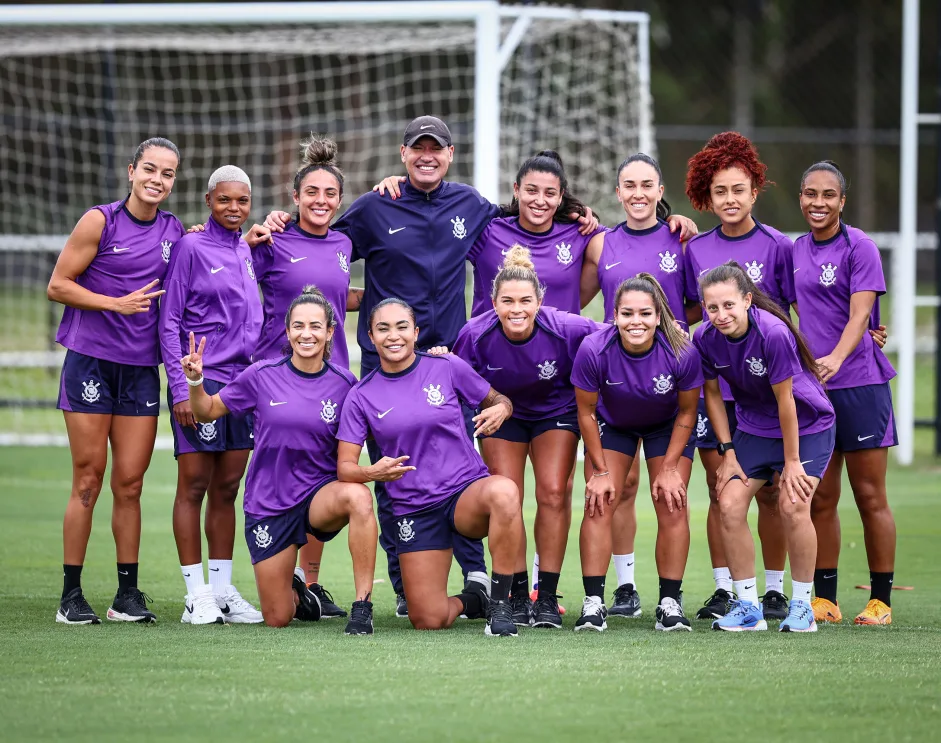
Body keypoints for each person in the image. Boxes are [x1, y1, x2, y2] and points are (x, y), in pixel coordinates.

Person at [265, 116, 596, 616]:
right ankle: (403, 586)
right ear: (403, 154)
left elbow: (525, 210)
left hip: (448, 362)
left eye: (435, 148)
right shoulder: (375, 206)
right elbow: (323, 243)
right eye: (417, 148)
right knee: (392, 474)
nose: (426, 156)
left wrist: (576, 210)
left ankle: (478, 577)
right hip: (387, 367)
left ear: (449, 153)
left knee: (460, 471)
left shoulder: (471, 205)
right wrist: (275, 224)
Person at [180, 287, 377, 634]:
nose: (307, 334)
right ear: (287, 332)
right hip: (270, 503)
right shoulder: (261, 375)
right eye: (298, 326)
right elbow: (207, 411)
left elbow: (378, 423)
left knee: (359, 497)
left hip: (319, 497)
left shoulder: (346, 383)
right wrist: (195, 380)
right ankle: (299, 595)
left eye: (316, 326)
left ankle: (363, 605)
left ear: (330, 332)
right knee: (277, 617)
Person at [48, 137, 184, 625]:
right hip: (91, 364)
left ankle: (127, 595)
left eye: (167, 173)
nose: (157, 179)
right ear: (132, 171)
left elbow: (212, 246)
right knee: (88, 479)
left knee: (130, 483)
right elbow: (57, 284)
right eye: (150, 169)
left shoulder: (174, 231)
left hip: (141, 372)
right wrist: (115, 303)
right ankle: (70, 595)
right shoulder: (99, 220)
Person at [336, 298, 524, 636]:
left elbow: (498, 399)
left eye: (401, 327)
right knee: (428, 619)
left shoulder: (446, 366)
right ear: (371, 337)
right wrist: (372, 472)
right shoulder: (361, 395)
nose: (394, 336)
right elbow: (345, 468)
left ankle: (500, 604)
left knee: (505, 491)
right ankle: (474, 601)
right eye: (383, 328)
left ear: (416, 332)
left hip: (464, 495)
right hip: (415, 509)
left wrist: (503, 410)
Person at [443, 247, 603, 628]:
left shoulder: (567, 326)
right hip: (503, 417)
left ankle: (545, 596)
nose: (517, 309)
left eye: (526, 301)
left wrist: (667, 328)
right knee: (507, 497)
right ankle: (514, 594)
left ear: (540, 301)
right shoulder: (475, 334)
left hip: (555, 412)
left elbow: (614, 335)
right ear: (493, 302)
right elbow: (453, 379)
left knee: (552, 492)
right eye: (507, 301)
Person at [579, 152, 701, 619]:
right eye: (629, 185)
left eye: (647, 184)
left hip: (669, 384)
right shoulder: (599, 244)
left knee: (671, 495)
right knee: (613, 490)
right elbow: (576, 299)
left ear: (660, 189)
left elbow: (697, 304)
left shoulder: (682, 240)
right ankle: (620, 590)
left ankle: (671, 600)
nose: (638, 194)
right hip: (616, 387)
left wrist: (663, 332)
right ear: (616, 192)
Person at [249, 135, 363, 620]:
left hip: (334, 379)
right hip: (281, 382)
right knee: (284, 473)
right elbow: (234, 274)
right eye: (311, 193)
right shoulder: (271, 239)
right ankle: (285, 575)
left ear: (339, 200)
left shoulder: (343, 242)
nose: (320, 201)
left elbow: (341, 297)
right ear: (295, 198)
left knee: (326, 474)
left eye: (330, 194)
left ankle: (309, 583)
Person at [683, 132, 796, 622]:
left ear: (755, 191)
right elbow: (690, 313)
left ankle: (774, 590)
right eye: (720, 191)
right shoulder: (694, 248)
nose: (729, 200)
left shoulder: (777, 246)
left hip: (764, 392)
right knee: (720, 485)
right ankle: (728, 589)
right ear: (709, 196)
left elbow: (793, 314)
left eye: (738, 190)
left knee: (770, 491)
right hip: (717, 388)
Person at [693, 262, 835, 633]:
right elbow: (711, 395)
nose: (720, 315)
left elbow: (786, 402)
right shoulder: (704, 338)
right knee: (728, 503)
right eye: (712, 307)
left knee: (792, 503)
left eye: (728, 305)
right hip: (754, 428)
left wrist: (791, 463)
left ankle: (802, 608)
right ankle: (748, 607)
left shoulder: (772, 332)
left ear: (747, 300)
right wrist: (728, 453)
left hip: (805, 426)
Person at [793, 161, 898, 626]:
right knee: (820, 497)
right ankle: (825, 599)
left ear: (842, 201)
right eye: (810, 194)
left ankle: (880, 601)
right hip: (815, 391)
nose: (818, 203)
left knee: (870, 495)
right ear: (800, 197)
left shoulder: (861, 247)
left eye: (828, 195)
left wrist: (835, 357)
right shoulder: (793, 250)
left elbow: (861, 316)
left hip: (860, 385)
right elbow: (779, 309)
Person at [159, 165, 263, 625]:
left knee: (227, 489)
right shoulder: (190, 246)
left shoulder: (246, 249)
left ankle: (221, 592)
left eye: (241, 200)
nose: (234, 208)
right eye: (225, 200)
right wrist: (181, 386)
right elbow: (169, 321)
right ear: (208, 201)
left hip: (243, 386)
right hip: (202, 381)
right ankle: (194, 594)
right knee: (195, 486)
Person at [572, 274, 702, 632]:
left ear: (658, 316)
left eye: (645, 313)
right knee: (598, 501)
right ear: (614, 315)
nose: (636, 322)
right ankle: (594, 602)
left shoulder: (681, 351)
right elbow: (585, 412)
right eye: (627, 313)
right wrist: (598, 472)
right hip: (615, 425)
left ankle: (669, 603)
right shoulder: (594, 349)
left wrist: (671, 466)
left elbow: (689, 411)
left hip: (668, 425)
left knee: (672, 501)